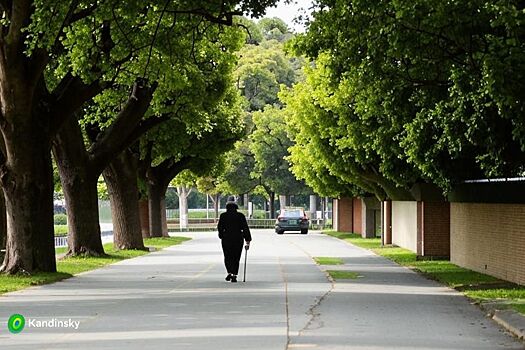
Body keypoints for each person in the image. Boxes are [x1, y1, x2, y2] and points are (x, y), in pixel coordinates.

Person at [218, 196, 251, 283]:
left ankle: (229, 271)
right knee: (236, 257)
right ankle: (234, 274)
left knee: (227, 256)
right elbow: (245, 228)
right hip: (238, 238)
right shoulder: (240, 216)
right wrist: (247, 239)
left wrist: (221, 235)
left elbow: (220, 227)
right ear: (236, 206)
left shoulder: (223, 216)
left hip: (227, 238)